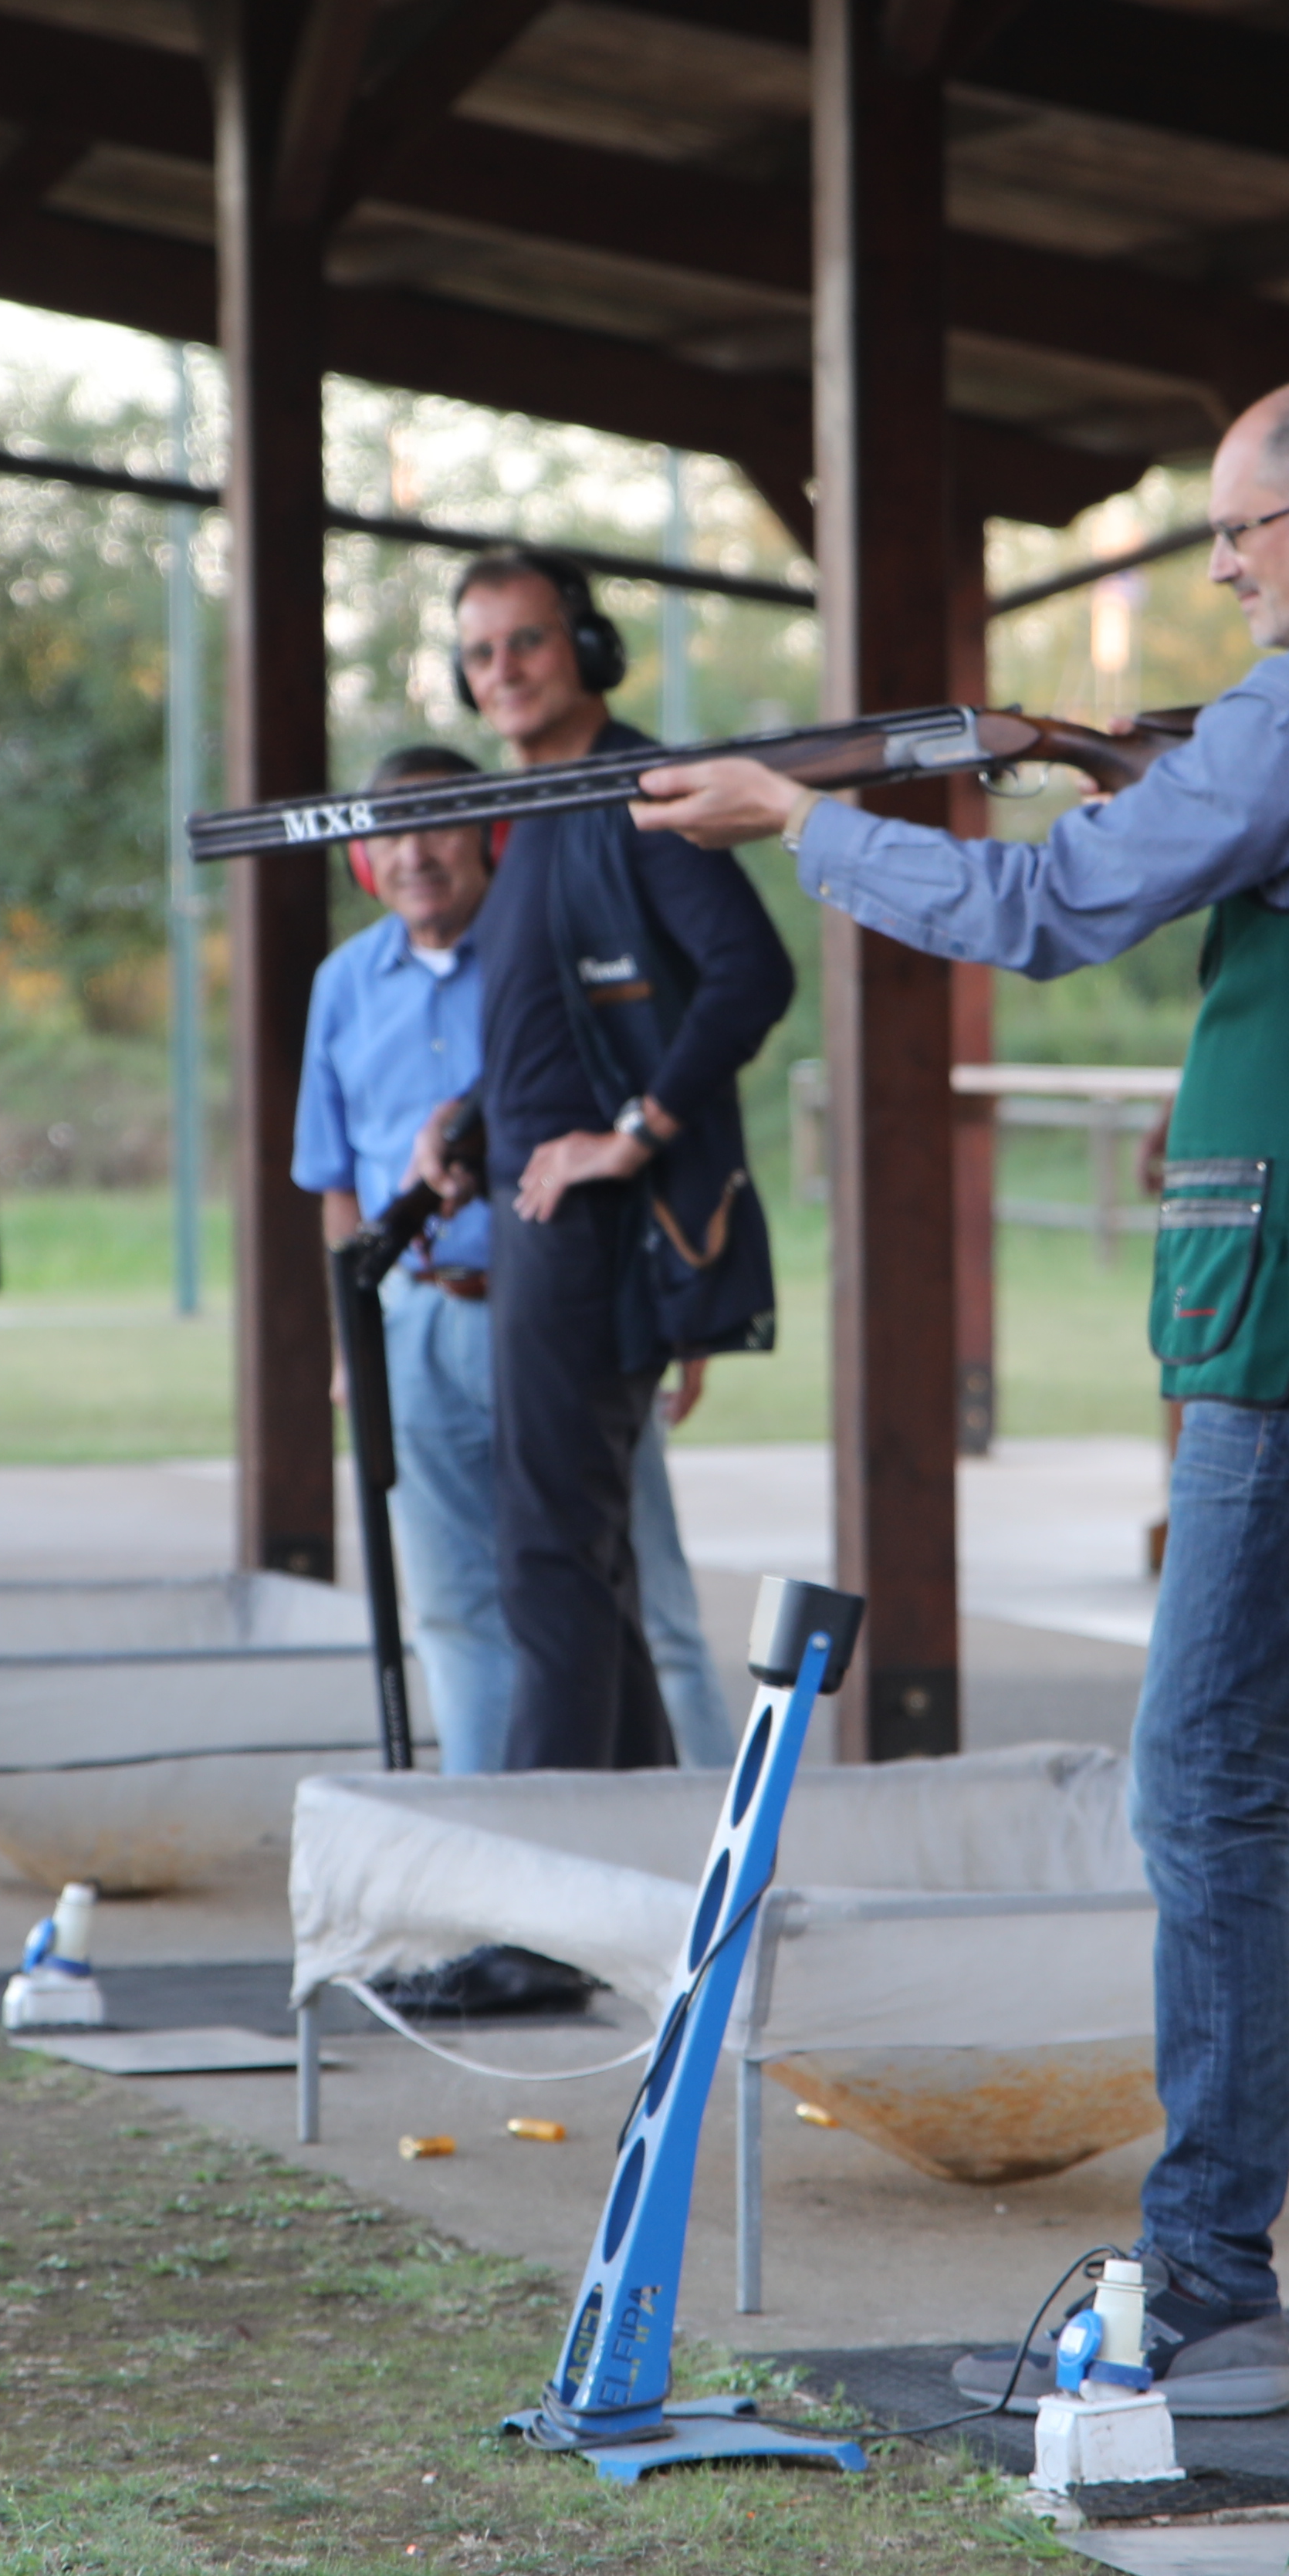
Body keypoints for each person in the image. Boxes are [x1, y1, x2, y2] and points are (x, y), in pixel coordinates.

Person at [641, 377, 1289, 2425]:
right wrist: (1078, 769)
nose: (1219, 564)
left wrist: (805, 821)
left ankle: (1208, 2283)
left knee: (1199, 1781)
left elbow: (1046, 913)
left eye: (1247, 527)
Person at [292, 743, 723, 1780]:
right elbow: (335, 1179)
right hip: (417, 1322)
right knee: (455, 1612)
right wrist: (355, 1342)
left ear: (492, 833)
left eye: (440, 822)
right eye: (390, 831)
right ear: (362, 859)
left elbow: (662, 1113)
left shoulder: (552, 952)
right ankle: (503, 1866)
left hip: (566, 1314)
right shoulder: (342, 984)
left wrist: (686, 1315)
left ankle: (714, 1855)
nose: (414, 852)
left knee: (643, 1603)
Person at [434, 546, 790, 1776]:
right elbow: (559, 1024)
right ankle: (619, 1842)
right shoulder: (540, 809)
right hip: (530, 1207)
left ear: (584, 649)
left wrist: (634, 1134)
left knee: (547, 1554)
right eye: (481, 653)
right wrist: (473, 1118)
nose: (505, 671)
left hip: (589, 1234)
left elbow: (753, 973)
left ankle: (537, 1893)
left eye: (526, 641)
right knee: (580, 1556)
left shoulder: (633, 794)